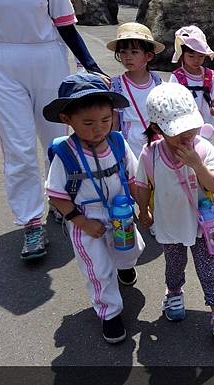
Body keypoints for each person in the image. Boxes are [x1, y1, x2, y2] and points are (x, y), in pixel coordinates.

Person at [0, 0, 106, 259]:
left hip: (48, 58)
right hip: (2, 65)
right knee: (18, 147)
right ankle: (31, 222)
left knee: (56, 141)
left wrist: (91, 66)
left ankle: (61, 201)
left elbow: (65, 24)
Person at [135, 83, 214, 346]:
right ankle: (173, 293)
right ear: (158, 129)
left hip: (202, 227)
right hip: (170, 226)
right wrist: (143, 210)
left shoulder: (203, 148)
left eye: (190, 127)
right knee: (174, 265)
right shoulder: (150, 154)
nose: (186, 134)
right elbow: (142, 185)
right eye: (176, 130)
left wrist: (197, 164)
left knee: (208, 271)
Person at [43, 73, 145, 344]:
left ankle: (124, 266)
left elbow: (133, 178)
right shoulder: (66, 154)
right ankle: (109, 312)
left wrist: (144, 207)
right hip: (85, 219)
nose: (98, 129)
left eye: (105, 120)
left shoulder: (118, 142)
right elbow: (57, 196)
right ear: (67, 119)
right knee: (98, 268)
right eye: (87, 123)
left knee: (131, 249)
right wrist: (82, 222)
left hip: (120, 212)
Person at [107, 22, 165, 159]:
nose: (128, 57)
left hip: (156, 139)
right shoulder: (116, 85)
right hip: (129, 143)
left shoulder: (158, 82)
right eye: (123, 52)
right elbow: (114, 121)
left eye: (134, 52)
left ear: (148, 56)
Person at [169, 26, 214, 129]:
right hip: (184, 126)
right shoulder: (177, 76)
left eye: (201, 56)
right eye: (191, 56)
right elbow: (171, 100)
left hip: (205, 125)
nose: (196, 60)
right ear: (182, 55)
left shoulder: (208, 75)